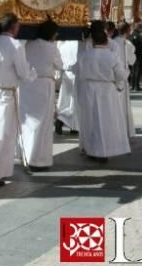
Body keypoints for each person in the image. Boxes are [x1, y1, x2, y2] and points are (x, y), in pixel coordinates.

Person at [0, 14, 37, 183]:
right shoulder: (15, 46)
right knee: (4, 134)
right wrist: (32, 74)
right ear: (14, 27)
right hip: (7, 94)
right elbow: (23, 73)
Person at [74, 20, 130, 163]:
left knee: (90, 120)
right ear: (106, 41)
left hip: (88, 90)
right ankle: (103, 150)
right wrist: (120, 82)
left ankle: (90, 148)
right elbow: (122, 75)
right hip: (106, 91)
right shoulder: (110, 55)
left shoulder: (85, 55)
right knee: (104, 121)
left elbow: (75, 69)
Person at [22, 18, 61, 169]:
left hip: (29, 84)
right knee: (42, 122)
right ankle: (37, 159)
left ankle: (25, 153)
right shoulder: (51, 48)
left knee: (28, 120)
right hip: (44, 84)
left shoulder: (28, 44)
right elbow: (59, 65)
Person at [55, 39, 79, 135]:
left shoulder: (63, 45)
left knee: (65, 100)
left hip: (66, 74)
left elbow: (59, 62)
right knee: (75, 102)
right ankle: (73, 126)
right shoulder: (80, 44)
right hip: (77, 74)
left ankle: (61, 120)